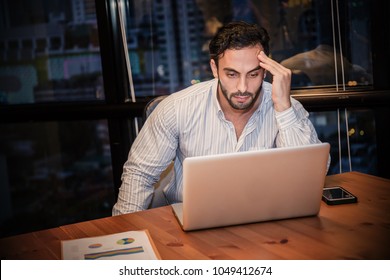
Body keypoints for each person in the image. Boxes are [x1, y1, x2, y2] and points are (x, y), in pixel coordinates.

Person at [112, 21, 324, 215]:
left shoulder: (286, 106)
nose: (242, 88)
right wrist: (124, 234)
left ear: (266, 71)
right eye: (232, 74)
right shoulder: (176, 109)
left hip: (265, 219)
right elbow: (139, 175)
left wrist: (284, 109)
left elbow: (307, 181)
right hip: (193, 222)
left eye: (253, 74)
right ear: (215, 69)